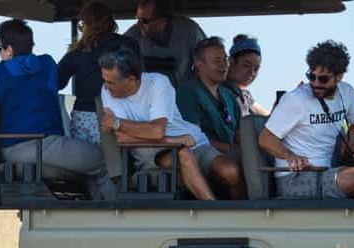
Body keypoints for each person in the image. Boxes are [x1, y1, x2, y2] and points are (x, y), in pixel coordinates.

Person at [0, 19, 113, 199]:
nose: (0, 52)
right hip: (46, 145)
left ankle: (97, 212)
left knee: (101, 161)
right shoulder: (47, 65)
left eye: (0, 48)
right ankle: (109, 214)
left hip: (18, 149)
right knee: (108, 161)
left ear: (8, 50)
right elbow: (42, 78)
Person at [99, 47, 245, 200]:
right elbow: (122, 138)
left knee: (231, 172)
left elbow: (156, 130)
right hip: (153, 152)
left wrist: (117, 123)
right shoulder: (107, 91)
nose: (106, 86)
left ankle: (245, 219)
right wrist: (175, 141)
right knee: (184, 154)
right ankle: (213, 213)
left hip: (195, 143)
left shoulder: (158, 83)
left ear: (131, 79)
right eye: (105, 80)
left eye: (111, 82)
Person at [259, 41, 354, 199]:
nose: (315, 83)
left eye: (322, 79)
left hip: (326, 173)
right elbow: (265, 139)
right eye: (311, 76)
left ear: (339, 76)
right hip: (295, 179)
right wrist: (290, 156)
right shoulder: (296, 99)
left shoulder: (346, 92)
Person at [57, 2, 140, 144]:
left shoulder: (78, 52)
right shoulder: (127, 45)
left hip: (84, 115)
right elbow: (139, 78)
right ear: (111, 22)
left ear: (84, 23)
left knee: (85, 162)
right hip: (120, 114)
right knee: (118, 162)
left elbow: (57, 82)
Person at [177, 37, 241, 155]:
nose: (224, 65)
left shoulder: (229, 96)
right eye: (217, 61)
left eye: (225, 59)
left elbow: (239, 134)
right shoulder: (189, 92)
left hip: (232, 154)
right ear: (199, 65)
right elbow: (193, 138)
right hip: (203, 154)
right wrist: (232, 149)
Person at [124, 0, 206, 88]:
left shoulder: (190, 31)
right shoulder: (132, 36)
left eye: (144, 21)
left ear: (162, 21)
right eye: (137, 19)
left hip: (181, 96)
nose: (138, 25)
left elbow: (208, 62)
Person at [225, 34, 268, 117]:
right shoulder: (219, 90)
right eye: (246, 65)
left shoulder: (245, 96)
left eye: (256, 69)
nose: (251, 72)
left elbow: (268, 118)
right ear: (231, 61)